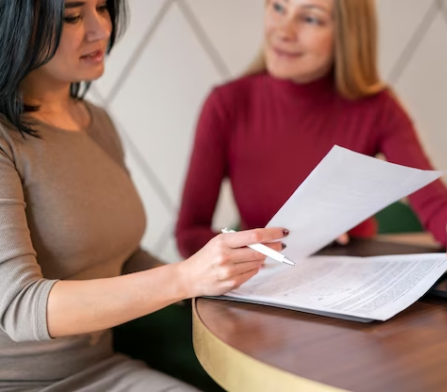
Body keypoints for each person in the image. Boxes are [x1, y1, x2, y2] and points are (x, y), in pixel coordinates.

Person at [0, 1, 287, 391]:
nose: (100, 29)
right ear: (17, 24)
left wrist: (231, 279)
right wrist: (185, 277)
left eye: (102, 8)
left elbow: (123, 257)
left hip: (101, 369)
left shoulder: (93, 122)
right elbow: (20, 308)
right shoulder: (5, 141)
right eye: (72, 15)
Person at [176, 0, 447, 267]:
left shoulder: (377, 108)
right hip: (260, 290)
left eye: (311, 19)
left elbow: (434, 204)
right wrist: (258, 251)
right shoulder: (226, 104)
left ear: (347, 35)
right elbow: (189, 233)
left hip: (351, 287)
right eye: (278, 7)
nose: (283, 31)